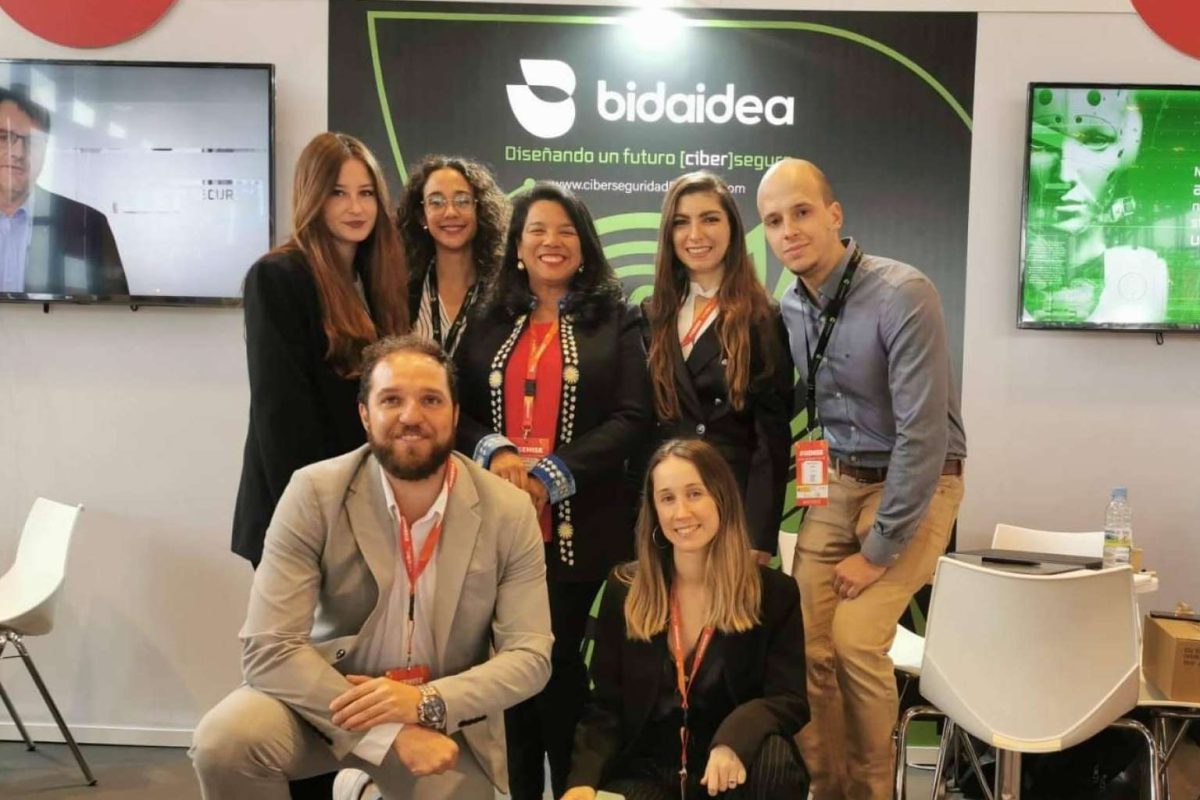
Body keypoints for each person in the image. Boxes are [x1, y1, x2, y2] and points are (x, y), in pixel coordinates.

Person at [191, 335, 553, 800]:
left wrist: (424, 702)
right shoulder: (314, 492)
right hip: (328, 701)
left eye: (430, 400)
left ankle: (362, 787)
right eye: (391, 400)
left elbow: (530, 657)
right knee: (225, 743)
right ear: (365, 415)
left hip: (438, 715)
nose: (411, 416)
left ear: (455, 414)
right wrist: (389, 733)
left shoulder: (508, 510)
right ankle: (363, 781)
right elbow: (269, 646)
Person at [756, 158, 967, 800]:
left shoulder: (903, 292)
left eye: (801, 212)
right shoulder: (791, 306)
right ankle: (827, 787)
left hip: (918, 482)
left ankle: (876, 791)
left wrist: (877, 553)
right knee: (805, 644)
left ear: (834, 215)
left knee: (852, 643)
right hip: (838, 480)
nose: (789, 230)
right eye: (773, 221)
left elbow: (923, 438)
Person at [454, 181, 653, 800]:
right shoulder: (486, 318)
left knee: (559, 662)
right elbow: (454, 410)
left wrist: (550, 474)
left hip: (582, 528)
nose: (551, 242)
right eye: (537, 230)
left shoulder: (618, 317)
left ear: (585, 245)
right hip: (494, 526)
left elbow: (633, 416)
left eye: (566, 230)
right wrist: (498, 452)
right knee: (506, 671)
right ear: (517, 246)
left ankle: (574, 787)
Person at [562, 438, 809, 800]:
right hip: (649, 774)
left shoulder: (775, 593)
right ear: (654, 511)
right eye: (667, 498)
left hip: (730, 772)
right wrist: (581, 783)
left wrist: (734, 739)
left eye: (694, 494)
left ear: (721, 498)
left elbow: (789, 699)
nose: (681, 513)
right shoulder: (624, 589)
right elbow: (606, 708)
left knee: (775, 759)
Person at [231, 131, 410, 568]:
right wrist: (318, 519)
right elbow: (280, 415)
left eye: (366, 193)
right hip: (303, 513)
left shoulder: (376, 278)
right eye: (338, 193)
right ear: (313, 196)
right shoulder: (278, 276)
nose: (356, 207)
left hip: (363, 506)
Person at [639, 171, 792, 563]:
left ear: (732, 228)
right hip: (667, 508)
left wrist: (758, 536)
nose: (696, 234)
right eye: (681, 222)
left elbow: (771, 437)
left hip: (731, 503)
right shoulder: (651, 315)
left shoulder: (762, 317)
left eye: (709, 219)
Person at [1023, 86, 1167, 324]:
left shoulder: (1148, 273)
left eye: (1096, 141)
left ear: (1127, 152)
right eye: (1042, 143)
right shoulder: (1005, 273)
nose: (1065, 175)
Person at [0, 84, 127, 296]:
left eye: (33, 141)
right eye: (4, 137)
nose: (19, 153)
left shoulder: (89, 224)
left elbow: (116, 311)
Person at [397, 155, 508, 355]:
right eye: (436, 202)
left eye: (462, 201)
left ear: (479, 209)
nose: (450, 212)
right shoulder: (401, 290)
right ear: (422, 216)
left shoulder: (504, 290)